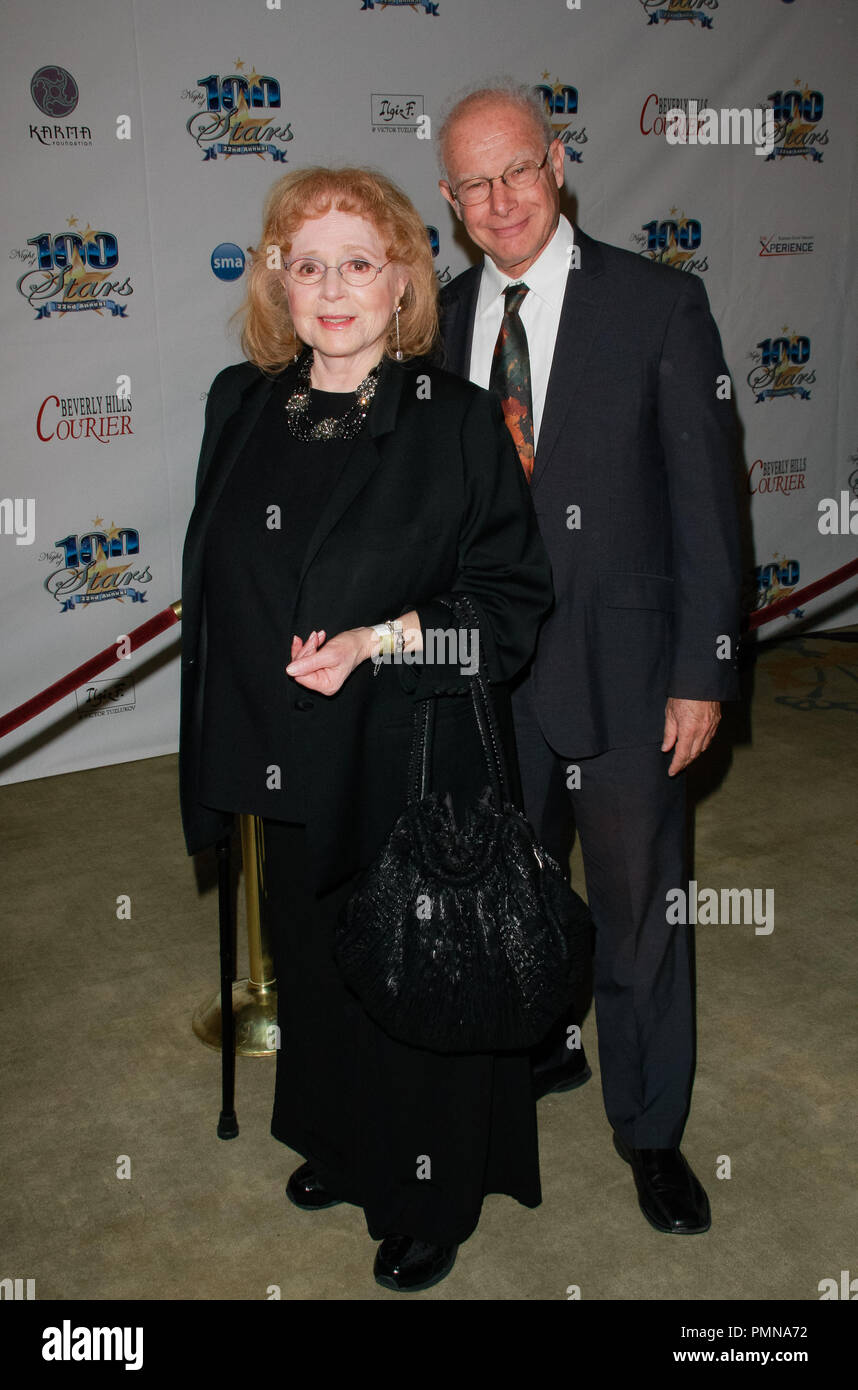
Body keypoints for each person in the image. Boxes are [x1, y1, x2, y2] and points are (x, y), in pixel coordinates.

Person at [178, 166, 555, 1291]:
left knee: (410, 973)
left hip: (407, 759)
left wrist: (380, 639)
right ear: (276, 283)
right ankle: (342, 1145)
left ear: (402, 281)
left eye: (358, 262)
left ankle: (426, 1189)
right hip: (277, 757)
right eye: (307, 264)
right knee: (314, 959)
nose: (331, 288)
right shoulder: (238, 403)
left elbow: (506, 609)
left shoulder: (453, 423)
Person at [436, 80, 742, 1235]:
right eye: (473, 182)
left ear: (558, 160)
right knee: (507, 904)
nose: (499, 198)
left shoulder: (659, 305)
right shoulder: (443, 317)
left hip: (626, 682)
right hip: (485, 685)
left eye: (516, 168)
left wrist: (701, 671)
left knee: (638, 917)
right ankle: (544, 1049)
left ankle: (650, 1131)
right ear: (451, 200)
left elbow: (707, 511)